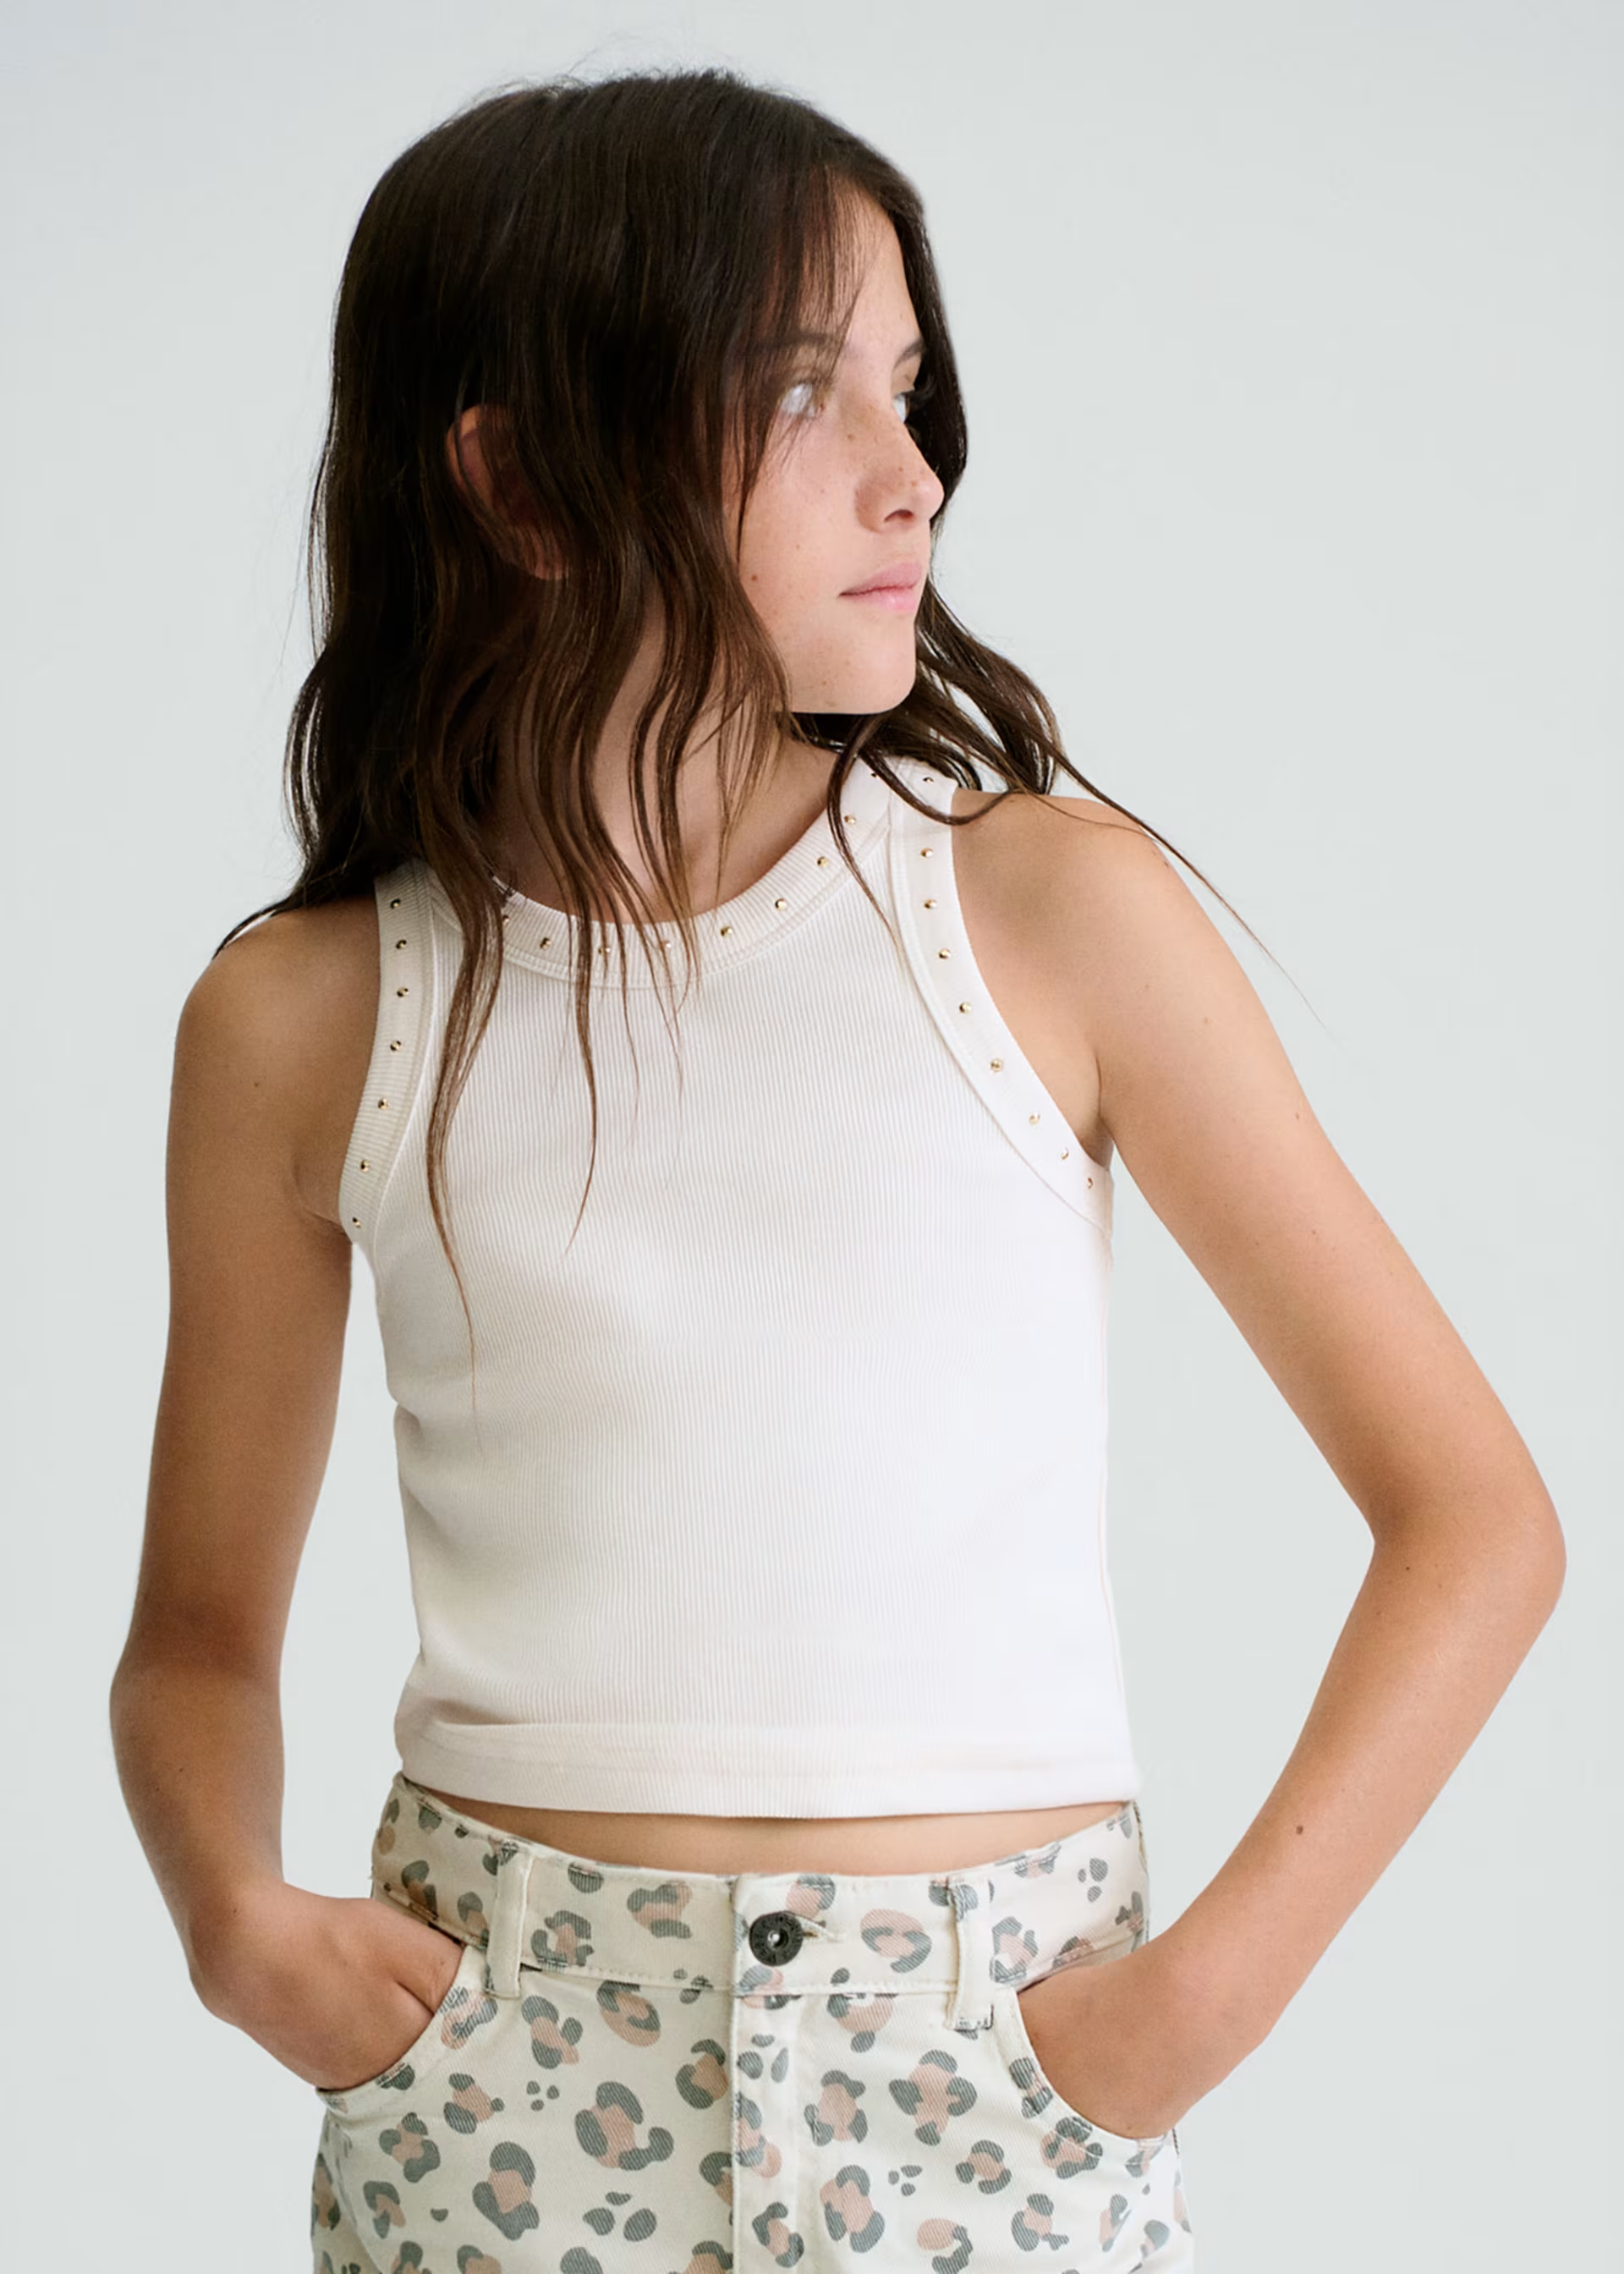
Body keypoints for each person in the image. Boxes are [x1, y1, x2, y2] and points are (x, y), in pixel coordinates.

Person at [109, 66, 1564, 2273]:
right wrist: (235, 1923)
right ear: (522, 483)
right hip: (503, 2079)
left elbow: (1474, 1518)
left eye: (908, 383)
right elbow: (200, 1635)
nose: (917, 471)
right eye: (810, 397)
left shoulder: (1046, 915)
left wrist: (1187, 2018)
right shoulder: (308, 1016)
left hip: (996, 2076)